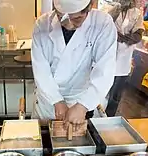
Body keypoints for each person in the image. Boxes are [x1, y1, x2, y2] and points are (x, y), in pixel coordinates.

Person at [31, 0, 117, 128]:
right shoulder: (42, 24)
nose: (69, 25)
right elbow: (40, 70)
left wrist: (83, 105)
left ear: (89, 7)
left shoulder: (102, 23)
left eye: (76, 18)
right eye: (62, 17)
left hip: (79, 98)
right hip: (47, 100)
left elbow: (105, 70)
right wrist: (56, 101)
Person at [105, 0, 144, 117]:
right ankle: (95, 116)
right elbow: (105, 27)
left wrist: (122, 37)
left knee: (115, 95)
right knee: (101, 90)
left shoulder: (137, 14)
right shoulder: (113, 9)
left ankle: (108, 118)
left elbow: (138, 35)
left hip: (123, 61)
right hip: (107, 58)